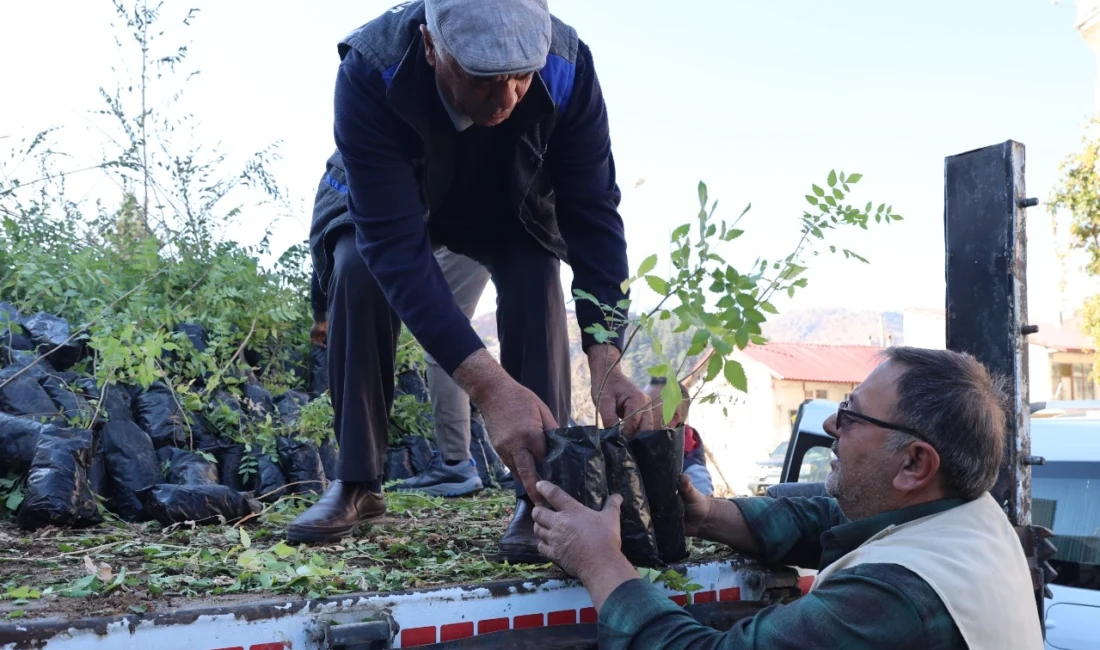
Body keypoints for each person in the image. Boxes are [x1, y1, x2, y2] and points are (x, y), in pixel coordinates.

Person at [288, 0, 655, 563]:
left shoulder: (567, 66)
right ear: (433, 48)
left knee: (535, 269)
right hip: (394, 194)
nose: (506, 99)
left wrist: (606, 359)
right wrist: (489, 386)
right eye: (485, 79)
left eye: (520, 77)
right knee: (359, 265)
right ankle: (357, 482)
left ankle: (540, 497)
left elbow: (594, 213)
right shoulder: (371, 68)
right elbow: (394, 248)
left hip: (507, 197)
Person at [532, 346, 1044, 649]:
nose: (829, 424)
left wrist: (600, 563)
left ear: (914, 464)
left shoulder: (890, 598)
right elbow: (829, 519)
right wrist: (709, 515)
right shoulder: (973, 519)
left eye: (852, 415)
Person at [307, 244, 491, 499]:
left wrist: (321, 313)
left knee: (444, 337)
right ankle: (544, 463)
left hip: (455, 223)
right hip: (502, 218)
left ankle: (455, 464)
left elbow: (329, 245)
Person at [643, 376, 714, 496]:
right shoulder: (647, 449)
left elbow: (707, 510)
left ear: (670, 418)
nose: (636, 412)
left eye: (648, 407)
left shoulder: (692, 474)